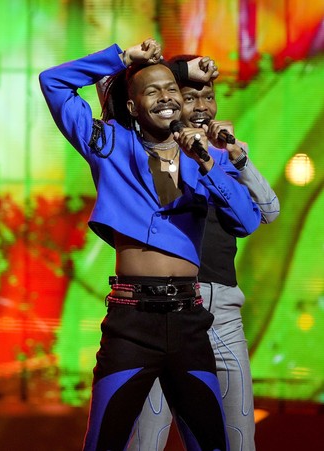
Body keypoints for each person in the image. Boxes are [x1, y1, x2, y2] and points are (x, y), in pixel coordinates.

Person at [39, 38, 262, 451]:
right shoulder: (108, 145)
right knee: (105, 442)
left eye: (172, 90)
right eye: (152, 91)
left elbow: (247, 221)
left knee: (213, 443)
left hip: (188, 321)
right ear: (132, 106)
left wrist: (208, 163)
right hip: (132, 320)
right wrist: (122, 59)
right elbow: (53, 82)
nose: (166, 98)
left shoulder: (203, 158)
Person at [125, 56, 280, 451]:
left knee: (237, 441)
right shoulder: (155, 152)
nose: (201, 107)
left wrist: (236, 157)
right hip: (167, 309)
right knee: (147, 441)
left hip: (223, 314)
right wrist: (180, 73)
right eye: (189, 96)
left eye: (208, 97)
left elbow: (268, 212)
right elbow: (121, 91)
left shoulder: (223, 161)